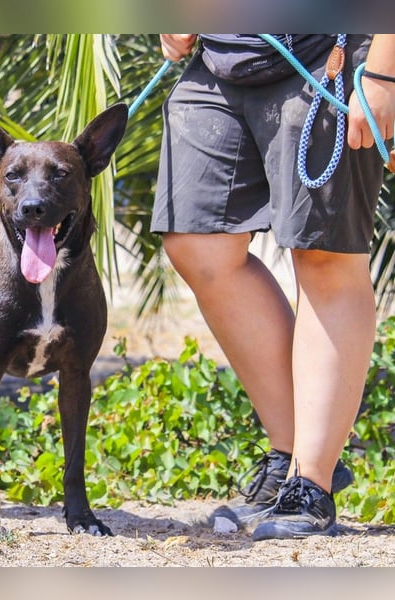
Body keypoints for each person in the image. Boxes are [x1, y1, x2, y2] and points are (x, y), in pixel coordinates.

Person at [152, 34, 395, 540]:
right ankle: (291, 455)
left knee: (323, 255)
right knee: (198, 244)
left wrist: (383, 72)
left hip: (328, 48)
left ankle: (311, 484)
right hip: (220, 57)